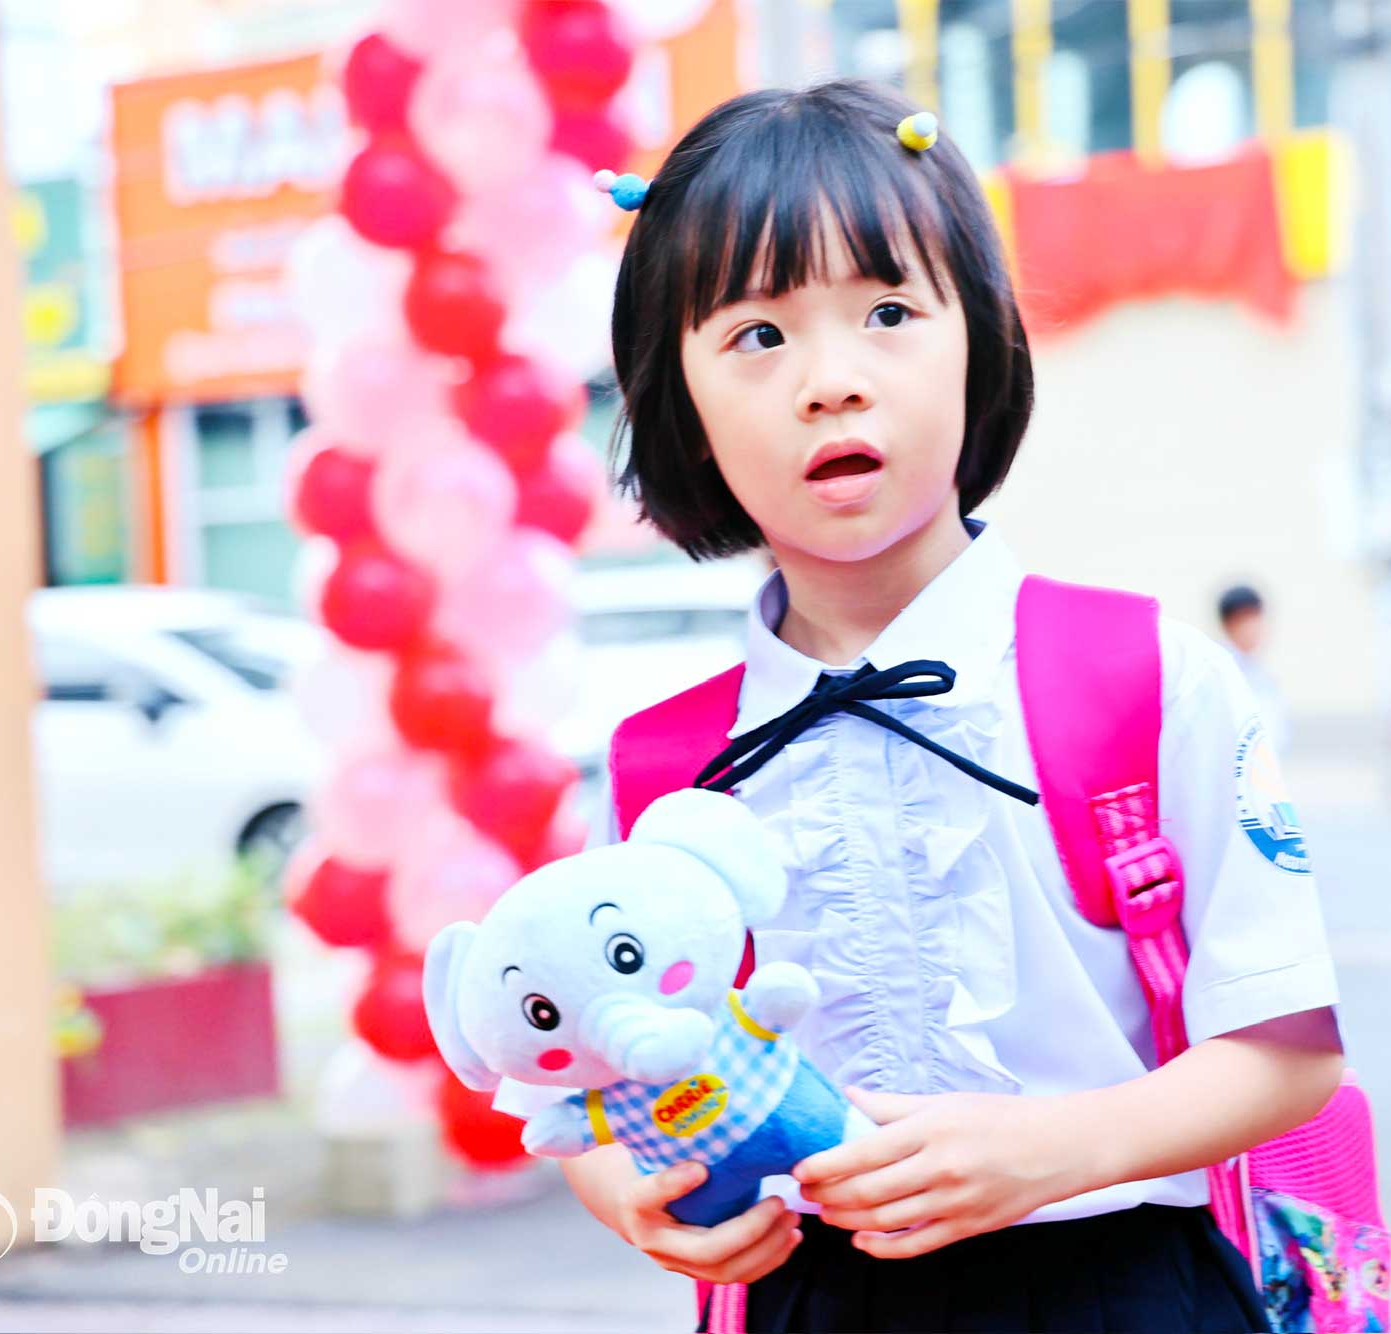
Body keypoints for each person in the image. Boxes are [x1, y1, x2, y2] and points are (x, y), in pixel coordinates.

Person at [543, 81, 1344, 1332]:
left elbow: (1291, 1052)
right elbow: (584, 1059)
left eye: (887, 311)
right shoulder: (658, 769)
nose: (832, 381)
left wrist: (1055, 1149)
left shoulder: (1144, 674)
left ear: (976, 338)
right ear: (676, 396)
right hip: (809, 1298)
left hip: (1121, 1283)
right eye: (757, 336)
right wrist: (622, 1189)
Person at [1218, 584, 1290, 754]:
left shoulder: (1261, 673)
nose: (1254, 628)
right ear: (1229, 624)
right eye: (1245, 620)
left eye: (1257, 618)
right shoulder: (1220, 670)